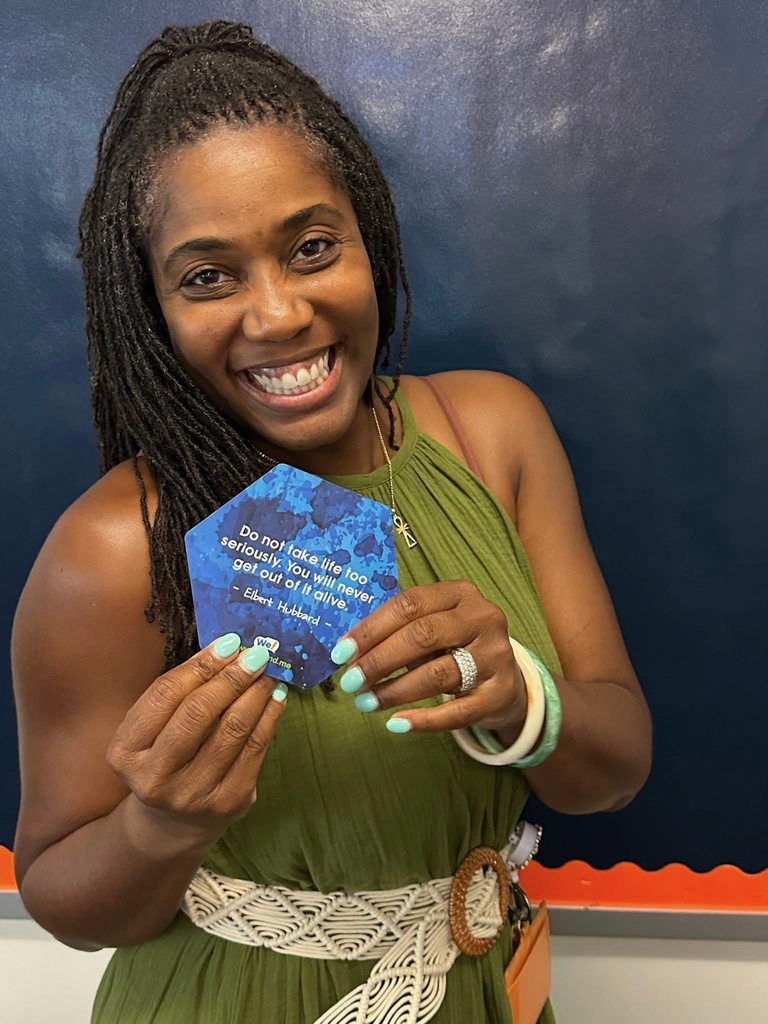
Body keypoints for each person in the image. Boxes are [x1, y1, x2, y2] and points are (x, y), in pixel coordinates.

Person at [11, 19, 651, 1024]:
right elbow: (63, 897)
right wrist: (161, 824)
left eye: (312, 248)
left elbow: (614, 770)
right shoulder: (113, 547)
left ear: (370, 238)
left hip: (478, 985)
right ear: (152, 307)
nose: (277, 315)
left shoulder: (492, 431)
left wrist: (515, 692)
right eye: (209, 276)